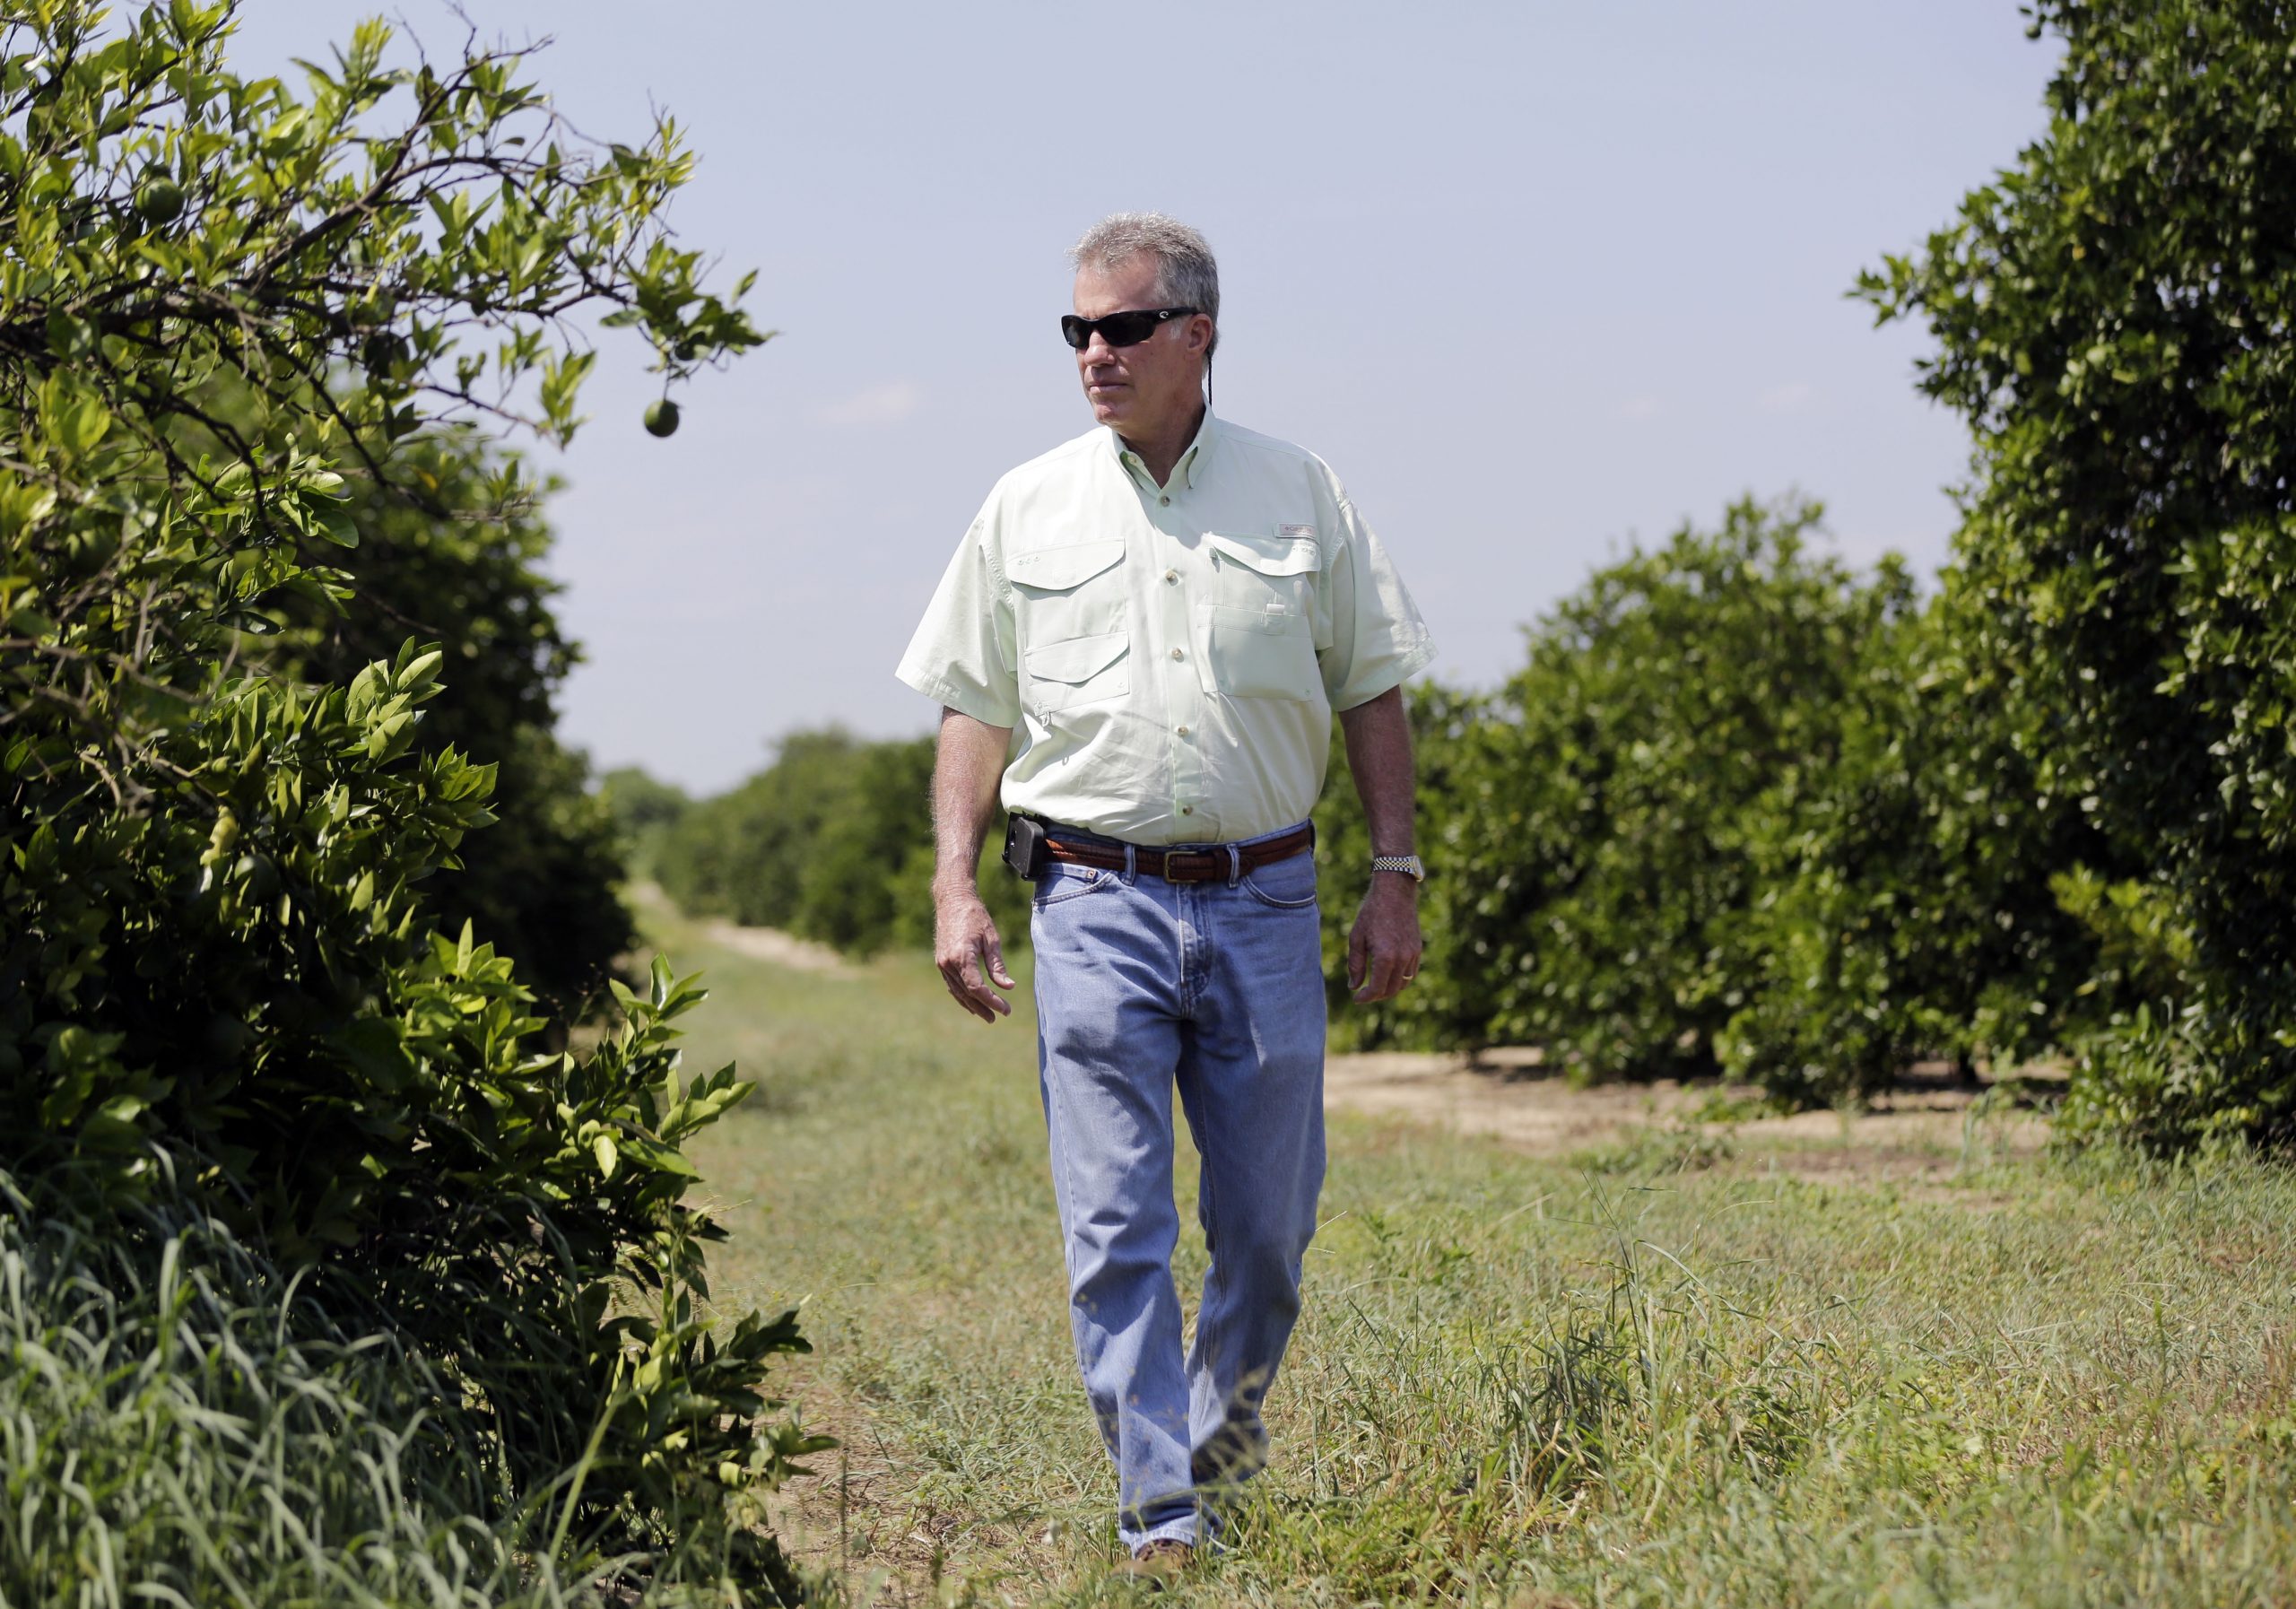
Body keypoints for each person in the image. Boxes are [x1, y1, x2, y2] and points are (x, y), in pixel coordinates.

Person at [894, 212, 1434, 1582]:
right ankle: (1163, 1518)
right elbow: (973, 703)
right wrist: (955, 884)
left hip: (1266, 897)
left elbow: (1371, 682)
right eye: (1075, 329)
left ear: (1198, 333)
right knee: (1117, 1219)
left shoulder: (1300, 489)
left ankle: (1214, 1454)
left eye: (1122, 326)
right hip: (1090, 898)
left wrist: (1396, 872)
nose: (1093, 353)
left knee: (1267, 1228)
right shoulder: (1026, 503)